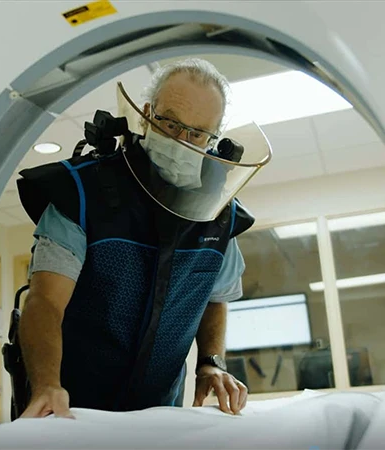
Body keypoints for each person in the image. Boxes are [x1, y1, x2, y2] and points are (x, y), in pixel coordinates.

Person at [17, 58, 261, 420]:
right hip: (70, 407)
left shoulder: (219, 214)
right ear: (146, 114)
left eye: (197, 133)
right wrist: (47, 385)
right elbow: (45, 302)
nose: (182, 141)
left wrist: (210, 362)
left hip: (159, 413)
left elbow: (215, 296)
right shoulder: (82, 193)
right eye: (170, 123)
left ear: (215, 141)